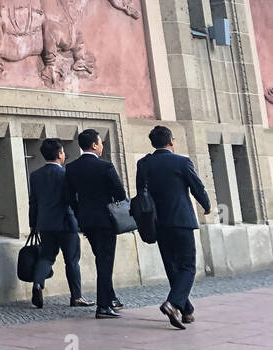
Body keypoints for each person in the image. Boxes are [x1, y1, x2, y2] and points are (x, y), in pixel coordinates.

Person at [136, 125, 211, 329]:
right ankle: (172, 304)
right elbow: (197, 186)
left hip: (158, 222)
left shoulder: (143, 164)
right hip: (181, 220)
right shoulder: (181, 161)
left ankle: (186, 311)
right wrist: (206, 205)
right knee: (187, 266)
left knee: (172, 266)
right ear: (171, 142)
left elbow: (140, 193)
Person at [63, 128, 127, 318]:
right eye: (100, 143)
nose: (102, 146)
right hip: (106, 221)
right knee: (105, 263)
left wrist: (80, 214)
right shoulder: (105, 167)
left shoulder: (72, 168)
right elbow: (120, 194)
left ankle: (110, 298)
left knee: (101, 259)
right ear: (94, 145)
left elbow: (69, 197)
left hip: (86, 221)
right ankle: (104, 306)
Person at [27, 138, 89, 309]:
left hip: (45, 224)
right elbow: (74, 200)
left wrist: (33, 223)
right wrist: (82, 221)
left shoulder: (35, 175)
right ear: (60, 154)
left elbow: (33, 202)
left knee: (46, 256)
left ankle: (38, 284)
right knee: (72, 260)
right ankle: (76, 297)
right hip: (67, 223)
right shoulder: (66, 174)